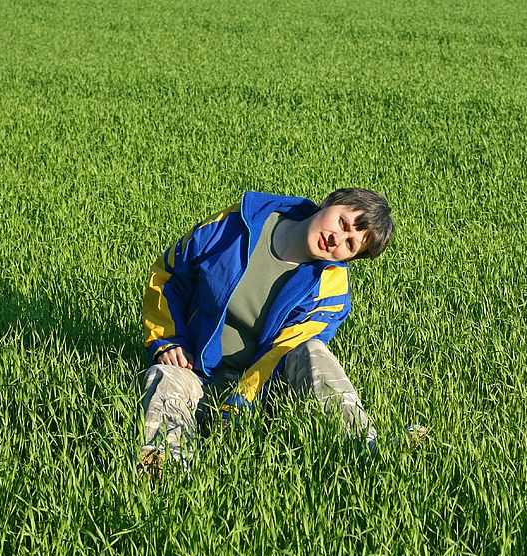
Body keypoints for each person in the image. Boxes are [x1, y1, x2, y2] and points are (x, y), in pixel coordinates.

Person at [136, 188, 394, 476]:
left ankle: (370, 450)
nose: (337, 238)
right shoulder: (239, 223)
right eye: (342, 223)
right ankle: (167, 468)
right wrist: (168, 339)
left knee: (313, 350)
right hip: (196, 371)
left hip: (264, 399)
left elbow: (281, 353)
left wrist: (241, 402)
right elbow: (169, 273)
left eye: (350, 244)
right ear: (329, 203)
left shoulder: (330, 290)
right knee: (163, 376)